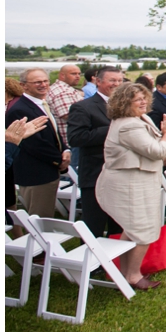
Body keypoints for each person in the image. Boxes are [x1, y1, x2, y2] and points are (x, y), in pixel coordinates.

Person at [97, 82, 166, 290]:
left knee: (133, 228)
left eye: (144, 97)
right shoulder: (128, 125)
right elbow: (157, 152)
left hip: (140, 181)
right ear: (124, 103)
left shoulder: (137, 119)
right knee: (142, 228)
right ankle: (133, 275)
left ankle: (126, 272)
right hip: (129, 184)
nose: (143, 102)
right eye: (138, 99)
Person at [67, 66, 125, 238]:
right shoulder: (83, 107)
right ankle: (91, 263)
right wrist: (113, 129)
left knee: (119, 222)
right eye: (112, 80)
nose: (117, 84)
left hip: (121, 172)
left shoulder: (126, 106)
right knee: (94, 224)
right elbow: (76, 138)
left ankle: (115, 260)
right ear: (98, 81)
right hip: (95, 173)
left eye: (120, 81)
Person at [6, 69, 70, 219]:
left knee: (45, 215)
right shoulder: (19, 109)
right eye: (37, 82)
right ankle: (39, 243)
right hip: (35, 173)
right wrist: (59, 160)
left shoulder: (41, 103)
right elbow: (34, 144)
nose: (43, 85)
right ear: (24, 86)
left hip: (48, 170)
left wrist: (66, 150)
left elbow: (53, 133)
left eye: (45, 81)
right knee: (39, 220)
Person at [45, 64, 83, 154]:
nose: (77, 77)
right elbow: (68, 116)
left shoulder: (63, 89)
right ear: (62, 75)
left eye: (79, 74)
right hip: (70, 142)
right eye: (73, 74)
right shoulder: (63, 92)